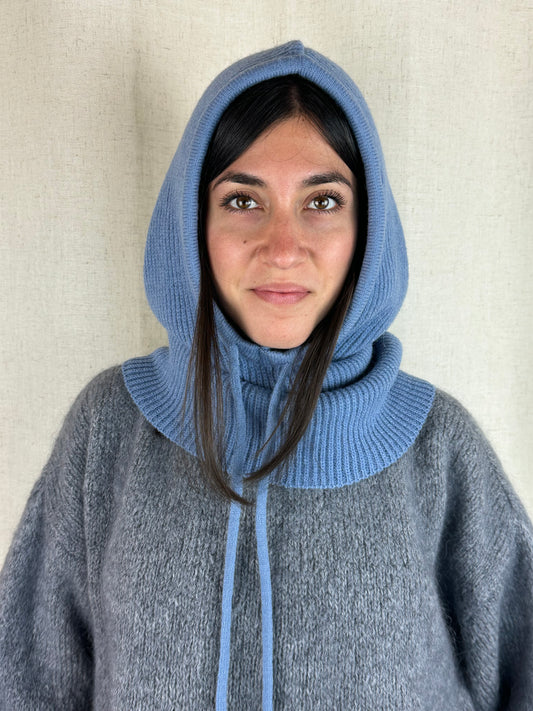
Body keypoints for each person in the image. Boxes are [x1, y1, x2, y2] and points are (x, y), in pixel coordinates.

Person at [0, 40, 532, 710]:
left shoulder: (438, 448)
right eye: (242, 201)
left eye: (323, 202)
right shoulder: (110, 429)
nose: (283, 249)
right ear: (193, 223)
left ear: (367, 229)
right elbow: (26, 684)